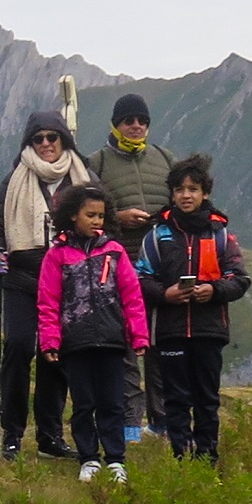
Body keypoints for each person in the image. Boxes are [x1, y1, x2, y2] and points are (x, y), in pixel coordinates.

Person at [0, 111, 91, 460]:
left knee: (54, 356)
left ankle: (50, 436)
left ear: (64, 139)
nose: (45, 144)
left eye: (52, 137)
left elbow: (100, 222)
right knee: (16, 347)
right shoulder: (14, 178)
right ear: (29, 143)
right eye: (38, 139)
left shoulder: (85, 178)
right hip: (22, 277)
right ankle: (12, 434)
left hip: (67, 280)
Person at [136, 155, 250, 463]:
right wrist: (166, 294)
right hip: (170, 331)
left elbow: (240, 280)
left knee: (206, 399)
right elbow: (139, 279)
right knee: (175, 400)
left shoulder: (222, 235)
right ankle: (180, 459)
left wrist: (213, 291)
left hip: (209, 330)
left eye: (193, 189)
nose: (186, 195)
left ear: (205, 193)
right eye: (180, 189)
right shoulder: (157, 236)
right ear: (171, 194)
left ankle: (207, 458)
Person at [37, 182, 152, 484]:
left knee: (113, 402)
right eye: (90, 215)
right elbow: (48, 300)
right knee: (84, 403)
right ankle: (88, 457)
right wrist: (50, 339)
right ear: (73, 215)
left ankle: (116, 459)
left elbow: (132, 296)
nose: (96, 221)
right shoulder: (57, 255)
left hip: (113, 341)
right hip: (76, 343)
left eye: (101, 216)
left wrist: (139, 335)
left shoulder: (115, 252)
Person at [86, 93, 178, 439]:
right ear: (116, 123)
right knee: (124, 346)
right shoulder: (96, 163)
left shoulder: (165, 159)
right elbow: (86, 214)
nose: (136, 126)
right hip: (116, 265)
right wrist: (118, 219)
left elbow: (182, 203)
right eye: (129, 120)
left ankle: (162, 421)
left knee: (160, 344)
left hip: (161, 265)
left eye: (142, 120)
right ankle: (129, 424)